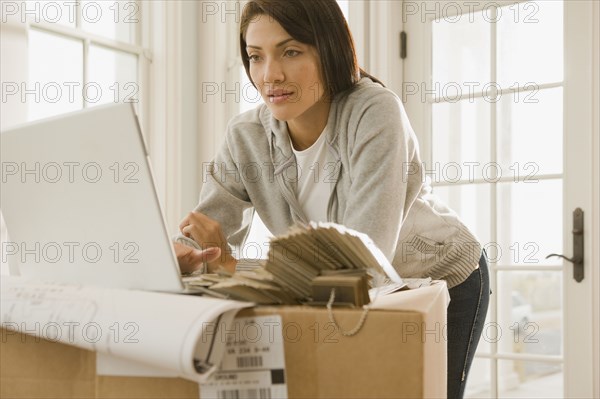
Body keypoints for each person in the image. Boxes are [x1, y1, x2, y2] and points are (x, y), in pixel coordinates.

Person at [174, 1, 490, 397]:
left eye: (290, 51)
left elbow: (362, 267)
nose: (270, 75)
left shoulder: (375, 112)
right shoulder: (245, 136)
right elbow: (206, 238)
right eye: (256, 57)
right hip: (355, 296)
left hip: (443, 278)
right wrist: (181, 259)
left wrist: (232, 266)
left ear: (329, 48)